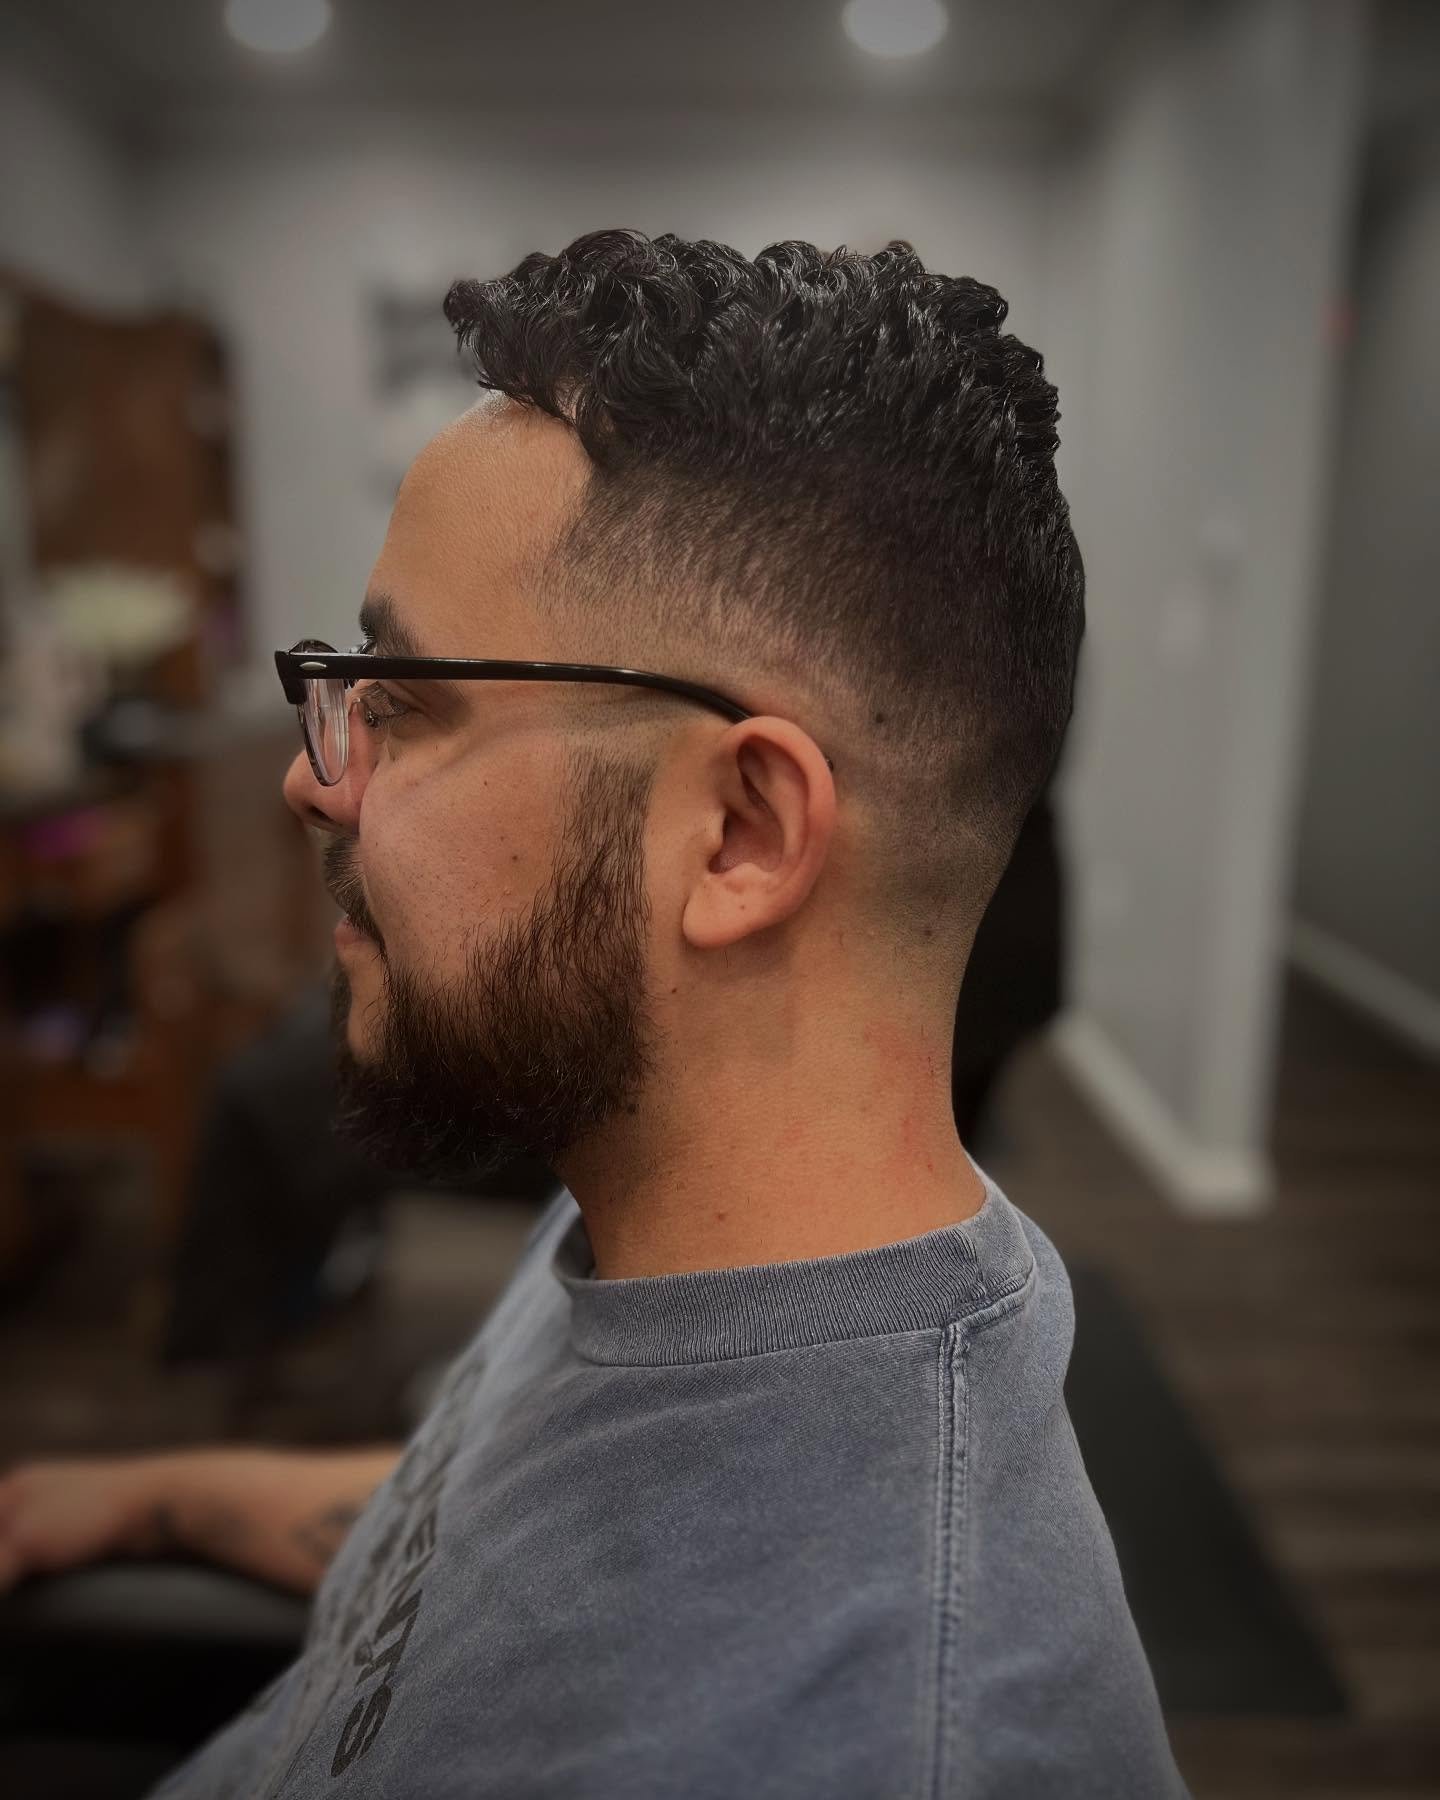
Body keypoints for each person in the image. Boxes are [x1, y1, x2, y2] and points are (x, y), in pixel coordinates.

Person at [0, 231, 1188, 1797]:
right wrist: (161, 1498)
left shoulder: (870, 1741)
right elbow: (496, 1525)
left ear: (740, 835)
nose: (317, 775)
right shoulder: (682, 1226)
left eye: (405, 702)